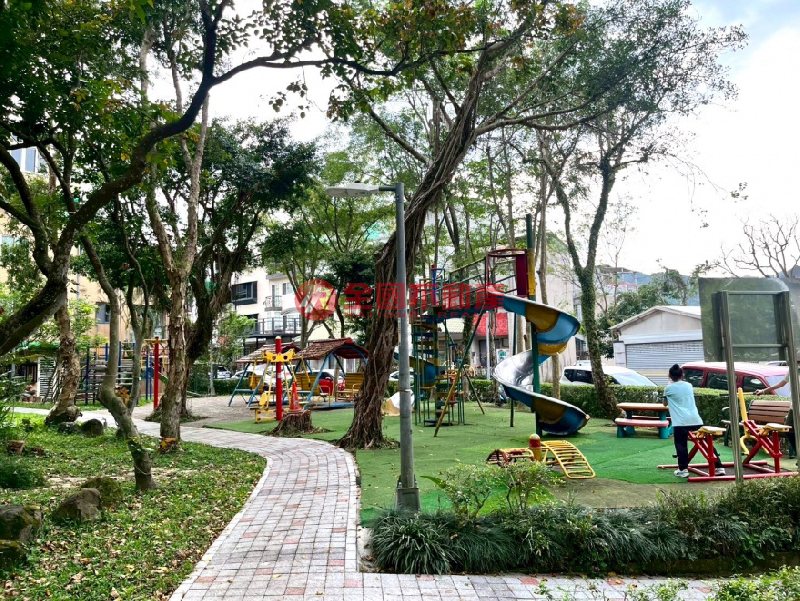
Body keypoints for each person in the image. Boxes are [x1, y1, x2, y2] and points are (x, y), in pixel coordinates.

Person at [665, 364, 725, 478]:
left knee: (681, 445)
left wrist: (669, 385)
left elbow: (665, 403)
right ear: (682, 375)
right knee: (706, 443)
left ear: (670, 376)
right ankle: (719, 467)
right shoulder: (689, 385)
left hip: (680, 422)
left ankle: (683, 469)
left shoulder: (668, 388)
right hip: (695, 420)